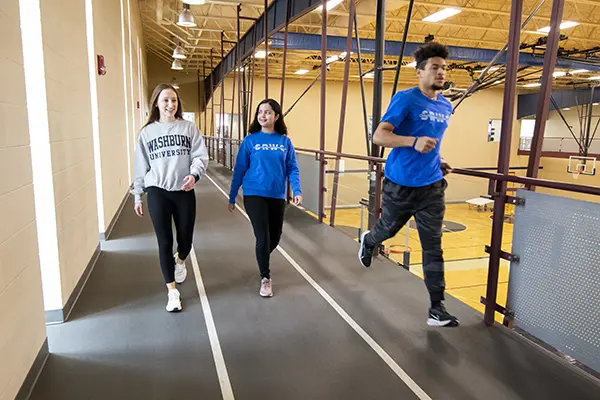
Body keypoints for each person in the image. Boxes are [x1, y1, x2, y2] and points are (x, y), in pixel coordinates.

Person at [358, 42, 458, 327]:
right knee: (387, 230)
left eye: (444, 68)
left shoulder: (445, 105)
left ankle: (436, 308)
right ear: (419, 72)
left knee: (433, 247)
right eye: (435, 68)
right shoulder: (405, 99)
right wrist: (412, 142)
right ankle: (369, 240)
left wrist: (438, 161)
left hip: (432, 187)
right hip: (400, 185)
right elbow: (379, 136)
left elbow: (431, 141)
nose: (441, 73)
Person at [131, 83, 209, 312]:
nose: (170, 104)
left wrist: (194, 175)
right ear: (156, 102)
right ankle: (172, 292)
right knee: (164, 241)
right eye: (165, 100)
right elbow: (140, 166)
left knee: (185, 239)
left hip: (184, 190)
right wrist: (138, 195)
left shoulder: (188, 128)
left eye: (173, 100)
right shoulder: (146, 133)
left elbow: (200, 156)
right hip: (157, 191)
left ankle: (181, 260)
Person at [228, 99, 302, 298]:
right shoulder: (250, 141)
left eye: (268, 112)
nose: (263, 115)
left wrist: (297, 190)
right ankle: (265, 278)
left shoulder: (285, 142)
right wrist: (232, 195)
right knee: (262, 236)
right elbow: (240, 169)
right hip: (254, 193)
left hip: (276, 195)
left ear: (276, 116)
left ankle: (262, 258)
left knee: (275, 236)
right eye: (260, 112)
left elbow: (292, 168)